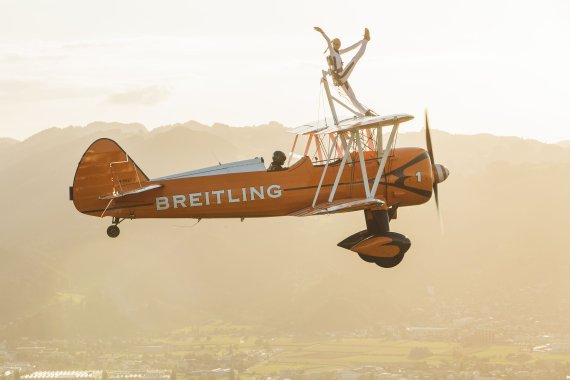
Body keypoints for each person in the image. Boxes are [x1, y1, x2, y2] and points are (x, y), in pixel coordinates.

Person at [314, 26, 376, 116]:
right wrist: (322, 32)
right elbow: (328, 40)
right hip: (340, 76)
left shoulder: (338, 52)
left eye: (339, 44)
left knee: (352, 97)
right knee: (354, 59)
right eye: (337, 44)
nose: (338, 46)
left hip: (341, 78)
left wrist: (361, 41)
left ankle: (366, 113)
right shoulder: (332, 52)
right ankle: (366, 40)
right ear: (333, 45)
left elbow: (351, 48)